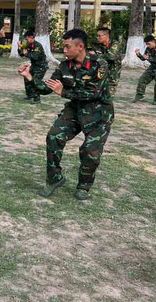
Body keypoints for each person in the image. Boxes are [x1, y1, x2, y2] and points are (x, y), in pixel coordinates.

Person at [17, 29, 114, 201]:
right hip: (75, 110)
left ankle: (84, 186)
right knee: (54, 136)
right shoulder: (64, 66)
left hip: (99, 113)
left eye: (68, 47)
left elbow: (94, 93)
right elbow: (47, 88)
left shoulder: (99, 64)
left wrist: (64, 93)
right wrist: (29, 77)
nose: (65, 50)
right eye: (64, 47)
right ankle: (54, 178)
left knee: (90, 151)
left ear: (80, 46)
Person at [134, 35, 156, 104]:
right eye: (146, 44)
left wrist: (148, 58)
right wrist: (139, 55)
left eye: (148, 44)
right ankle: (139, 96)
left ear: (153, 42)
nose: (147, 45)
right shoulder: (148, 49)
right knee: (142, 80)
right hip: (153, 67)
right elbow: (144, 58)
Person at [90, 27, 123, 96]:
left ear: (106, 36)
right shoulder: (99, 45)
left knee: (108, 98)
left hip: (112, 76)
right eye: (97, 36)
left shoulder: (115, 44)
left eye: (99, 36)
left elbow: (111, 56)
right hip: (101, 74)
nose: (97, 38)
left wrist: (96, 55)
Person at [19, 29, 48, 103]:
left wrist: (26, 53)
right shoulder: (28, 45)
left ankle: (37, 99)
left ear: (32, 37)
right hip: (34, 66)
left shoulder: (37, 46)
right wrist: (20, 47)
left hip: (41, 66)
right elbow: (22, 54)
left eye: (27, 39)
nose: (26, 40)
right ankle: (30, 95)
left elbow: (35, 56)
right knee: (27, 78)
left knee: (35, 80)